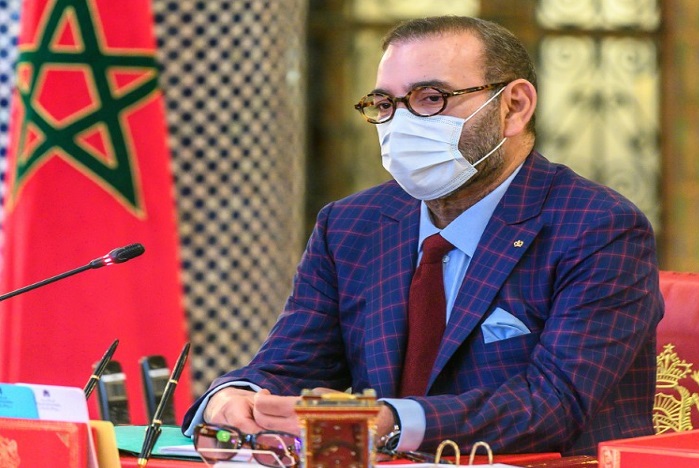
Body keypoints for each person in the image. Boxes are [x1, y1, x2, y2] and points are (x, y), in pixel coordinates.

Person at [182, 15, 664, 456]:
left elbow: (554, 402)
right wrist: (235, 398)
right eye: (384, 104)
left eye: (430, 98)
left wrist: (388, 422)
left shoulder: (598, 227)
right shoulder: (350, 225)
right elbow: (290, 366)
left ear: (514, 107)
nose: (401, 122)